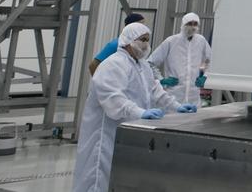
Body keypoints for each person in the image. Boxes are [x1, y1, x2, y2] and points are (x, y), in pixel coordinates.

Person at [72, 22, 197, 192]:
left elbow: (156, 91)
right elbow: (113, 99)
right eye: (142, 40)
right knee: (99, 175)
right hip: (106, 133)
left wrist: (177, 106)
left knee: (120, 176)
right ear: (128, 40)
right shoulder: (113, 64)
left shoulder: (142, 65)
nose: (146, 44)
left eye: (147, 40)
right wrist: (140, 112)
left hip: (127, 130)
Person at [150, 12, 212, 105]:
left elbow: (212, 61)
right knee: (173, 118)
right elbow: (150, 63)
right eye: (189, 24)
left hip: (193, 96)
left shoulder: (201, 41)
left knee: (193, 118)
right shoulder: (171, 41)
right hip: (173, 95)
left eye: (195, 24)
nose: (193, 27)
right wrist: (161, 80)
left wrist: (205, 77)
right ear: (183, 24)